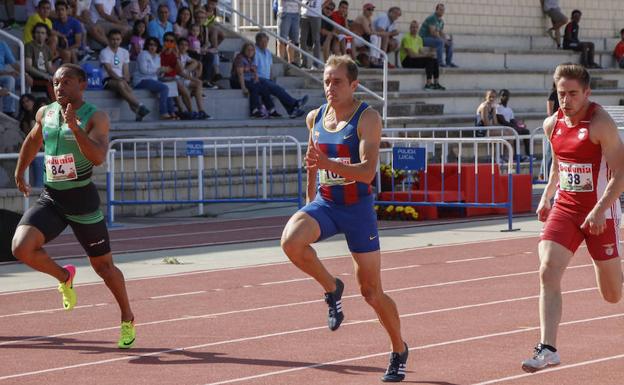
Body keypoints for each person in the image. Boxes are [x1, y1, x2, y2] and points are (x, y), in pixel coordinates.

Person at [280, 55, 408, 382]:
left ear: (354, 85)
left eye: (337, 82)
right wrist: (310, 200)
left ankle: (398, 349)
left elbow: (367, 173)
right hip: (326, 203)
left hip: (357, 211)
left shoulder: (368, 119)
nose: (330, 88)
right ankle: (332, 287)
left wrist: (328, 163)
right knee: (291, 242)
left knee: (371, 292)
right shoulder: (315, 117)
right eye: (326, 81)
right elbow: (312, 160)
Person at [11, 63, 137, 349]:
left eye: (67, 82)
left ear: (82, 85)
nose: (59, 88)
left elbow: (97, 158)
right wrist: (19, 172)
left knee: (104, 268)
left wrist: (74, 127)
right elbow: (32, 141)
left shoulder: (96, 117)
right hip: (52, 198)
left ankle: (127, 317)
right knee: (21, 247)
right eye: (56, 83)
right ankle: (64, 276)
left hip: (82, 201)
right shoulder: (45, 112)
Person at [521, 63, 624, 373]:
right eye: (561, 93)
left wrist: (599, 209)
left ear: (587, 93)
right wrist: (546, 195)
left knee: (612, 295)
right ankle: (548, 348)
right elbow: (559, 163)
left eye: (573, 94)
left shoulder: (600, 123)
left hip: (599, 210)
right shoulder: (552, 124)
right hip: (565, 208)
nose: (566, 100)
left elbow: (620, 172)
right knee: (547, 270)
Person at [100, 29, 151, 121]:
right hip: (108, 79)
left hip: (121, 80)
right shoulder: (104, 52)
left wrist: (126, 80)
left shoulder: (124, 52)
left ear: (121, 40)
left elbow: (126, 70)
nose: (115, 42)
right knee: (121, 84)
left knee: (125, 87)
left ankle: (138, 112)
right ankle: (140, 105)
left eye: (117, 39)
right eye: (113, 39)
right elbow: (109, 70)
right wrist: (121, 79)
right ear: (108, 40)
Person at [254, 32, 308, 119]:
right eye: (262, 42)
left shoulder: (268, 52)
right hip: (258, 79)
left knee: (279, 90)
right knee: (278, 89)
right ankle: (295, 103)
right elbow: (254, 68)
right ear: (257, 42)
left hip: (266, 80)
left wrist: (271, 79)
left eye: (266, 42)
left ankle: (292, 111)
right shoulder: (255, 52)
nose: (264, 44)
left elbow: (270, 68)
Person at [133, 37, 176, 120]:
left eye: (155, 45)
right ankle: (163, 112)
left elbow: (157, 73)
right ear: (147, 46)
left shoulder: (157, 57)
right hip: (141, 81)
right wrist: (159, 70)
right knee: (164, 88)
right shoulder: (143, 54)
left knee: (170, 85)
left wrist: (164, 71)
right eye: (150, 45)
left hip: (153, 80)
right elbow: (144, 70)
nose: (152, 47)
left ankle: (172, 112)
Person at [400, 20, 444, 90]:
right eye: (413, 27)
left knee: (434, 59)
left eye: (416, 27)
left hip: (415, 59)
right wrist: (427, 55)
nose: (414, 29)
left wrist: (430, 54)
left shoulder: (419, 38)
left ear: (418, 29)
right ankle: (428, 84)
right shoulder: (406, 38)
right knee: (429, 59)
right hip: (407, 61)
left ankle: (436, 83)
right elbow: (412, 55)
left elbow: (421, 52)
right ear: (410, 28)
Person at [496, 89, 531, 161]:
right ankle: (516, 156)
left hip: (510, 128)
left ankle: (528, 155)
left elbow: (512, 120)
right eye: (503, 95)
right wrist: (515, 127)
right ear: (499, 96)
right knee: (515, 131)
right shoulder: (497, 107)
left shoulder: (509, 109)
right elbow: (502, 121)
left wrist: (519, 125)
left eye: (506, 95)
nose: (504, 97)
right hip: (503, 129)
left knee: (526, 131)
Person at [419, 3, 457, 68]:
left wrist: (447, 39)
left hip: (432, 39)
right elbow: (433, 33)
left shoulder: (441, 21)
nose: (442, 11)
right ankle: (440, 63)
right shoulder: (432, 18)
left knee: (450, 43)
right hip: (423, 39)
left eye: (443, 10)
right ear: (436, 10)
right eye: (440, 10)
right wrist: (444, 40)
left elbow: (441, 33)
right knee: (440, 42)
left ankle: (448, 62)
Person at [25, 23, 56, 100]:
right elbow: (28, 67)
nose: (40, 35)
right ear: (34, 34)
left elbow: (49, 67)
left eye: (42, 33)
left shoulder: (47, 48)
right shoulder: (29, 46)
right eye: (37, 32)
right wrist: (44, 75)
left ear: (46, 36)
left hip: (45, 77)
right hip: (34, 78)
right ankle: (57, 108)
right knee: (49, 83)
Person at [299, 0, 322, 69]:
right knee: (302, 39)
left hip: (316, 15)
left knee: (316, 40)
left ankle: (316, 64)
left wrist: (321, 7)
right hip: (304, 14)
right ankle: (303, 63)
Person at [277, 0, 301, 66]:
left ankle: (291, 62)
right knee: (282, 39)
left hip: (296, 13)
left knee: (293, 40)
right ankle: (280, 61)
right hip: (285, 11)